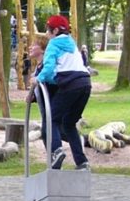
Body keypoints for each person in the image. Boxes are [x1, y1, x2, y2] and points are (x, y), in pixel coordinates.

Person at [33, 15, 92, 170]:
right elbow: (61, 71)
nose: (47, 33)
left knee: (51, 119)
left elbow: (49, 67)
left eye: (48, 30)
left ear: (56, 30)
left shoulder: (53, 43)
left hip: (70, 84)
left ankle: (57, 151)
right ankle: (82, 162)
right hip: (86, 84)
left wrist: (38, 79)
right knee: (69, 123)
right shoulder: (71, 43)